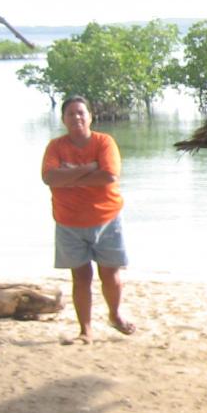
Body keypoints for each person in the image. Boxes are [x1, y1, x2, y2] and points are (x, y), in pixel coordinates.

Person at [41, 95, 135, 344]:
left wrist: (69, 175)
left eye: (81, 112)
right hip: (68, 222)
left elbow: (109, 176)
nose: (76, 117)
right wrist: (87, 169)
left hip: (106, 218)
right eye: (70, 114)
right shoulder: (55, 147)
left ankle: (115, 315)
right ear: (63, 119)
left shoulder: (104, 142)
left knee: (110, 275)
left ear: (90, 116)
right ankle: (86, 330)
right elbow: (50, 178)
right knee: (80, 277)